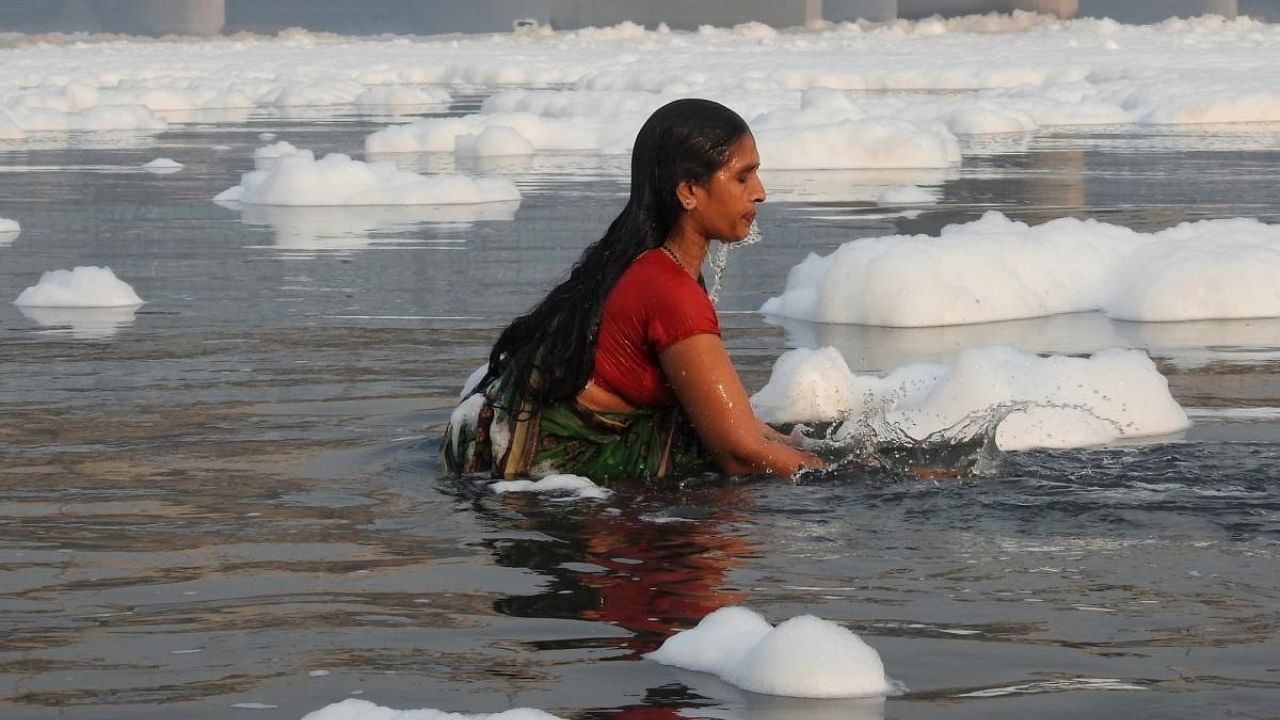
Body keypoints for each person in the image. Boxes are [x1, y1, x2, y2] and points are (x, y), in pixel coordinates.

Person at [443, 98, 823, 482]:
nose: (759, 192)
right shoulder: (669, 291)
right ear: (689, 191)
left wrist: (803, 449)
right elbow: (741, 455)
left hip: (516, 465)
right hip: (550, 485)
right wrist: (836, 477)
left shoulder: (640, 263)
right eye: (743, 177)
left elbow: (740, 431)